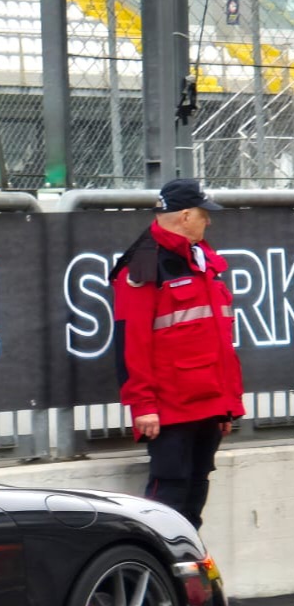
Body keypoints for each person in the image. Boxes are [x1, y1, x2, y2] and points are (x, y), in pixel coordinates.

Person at [109, 177, 244, 531]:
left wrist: (225, 404)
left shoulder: (203, 259)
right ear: (185, 216)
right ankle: (158, 572)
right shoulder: (143, 265)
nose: (208, 221)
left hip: (208, 404)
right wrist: (144, 405)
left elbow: (219, 338)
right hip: (170, 408)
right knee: (166, 497)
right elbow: (131, 342)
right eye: (203, 214)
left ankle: (188, 576)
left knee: (196, 493)